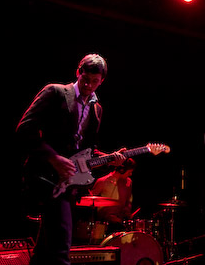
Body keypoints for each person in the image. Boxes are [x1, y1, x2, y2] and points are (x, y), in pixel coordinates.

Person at [16, 53, 125, 265]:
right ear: (78, 72)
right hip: (44, 177)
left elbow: (86, 152)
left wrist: (110, 160)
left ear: (102, 81)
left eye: (95, 82)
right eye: (86, 79)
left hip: (67, 184)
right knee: (61, 249)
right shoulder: (55, 92)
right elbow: (24, 129)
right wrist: (54, 158)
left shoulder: (97, 109)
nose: (89, 85)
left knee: (46, 251)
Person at [90, 158, 136, 230]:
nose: (130, 174)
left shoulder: (128, 182)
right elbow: (90, 201)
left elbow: (128, 200)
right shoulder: (102, 181)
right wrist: (106, 216)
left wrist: (127, 212)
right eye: (129, 172)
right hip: (103, 222)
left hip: (120, 221)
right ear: (122, 170)